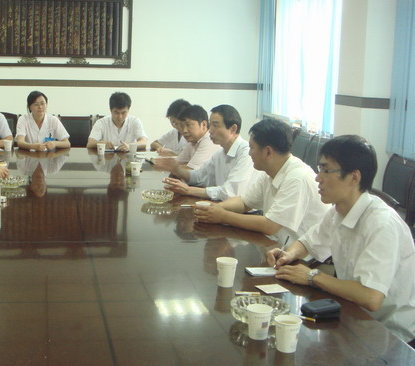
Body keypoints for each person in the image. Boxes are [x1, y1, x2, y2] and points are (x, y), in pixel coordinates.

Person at [267, 135, 415, 345]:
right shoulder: (338, 211)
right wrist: (288, 254)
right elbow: (308, 242)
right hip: (355, 316)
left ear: (354, 177)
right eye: (319, 169)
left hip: (391, 335)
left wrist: (312, 276)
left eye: (326, 170)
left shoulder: (382, 224)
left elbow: (371, 297)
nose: (318, 178)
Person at [194, 118, 328, 245]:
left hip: (307, 256)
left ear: (268, 152)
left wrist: (223, 216)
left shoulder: (297, 178)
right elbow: (244, 202)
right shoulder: (270, 172)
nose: (249, 153)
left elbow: (270, 225)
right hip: (281, 248)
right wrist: (215, 208)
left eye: (252, 148)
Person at [162, 104, 257, 201]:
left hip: (241, 209)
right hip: (223, 205)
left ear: (233, 129)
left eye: (215, 125)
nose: (210, 130)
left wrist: (189, 190)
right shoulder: (220, 153)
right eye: (210, 124)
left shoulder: (246, 153)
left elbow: (230, 192)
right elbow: (199, 177)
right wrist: (176, 169)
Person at [155, 104, 218, 171]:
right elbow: (178, 162)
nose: (184, 130)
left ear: (203, 124)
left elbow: (191, 169)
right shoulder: (192, 142)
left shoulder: (209, 140)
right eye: (182, 126)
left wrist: (166, 166)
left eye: (188, 125)